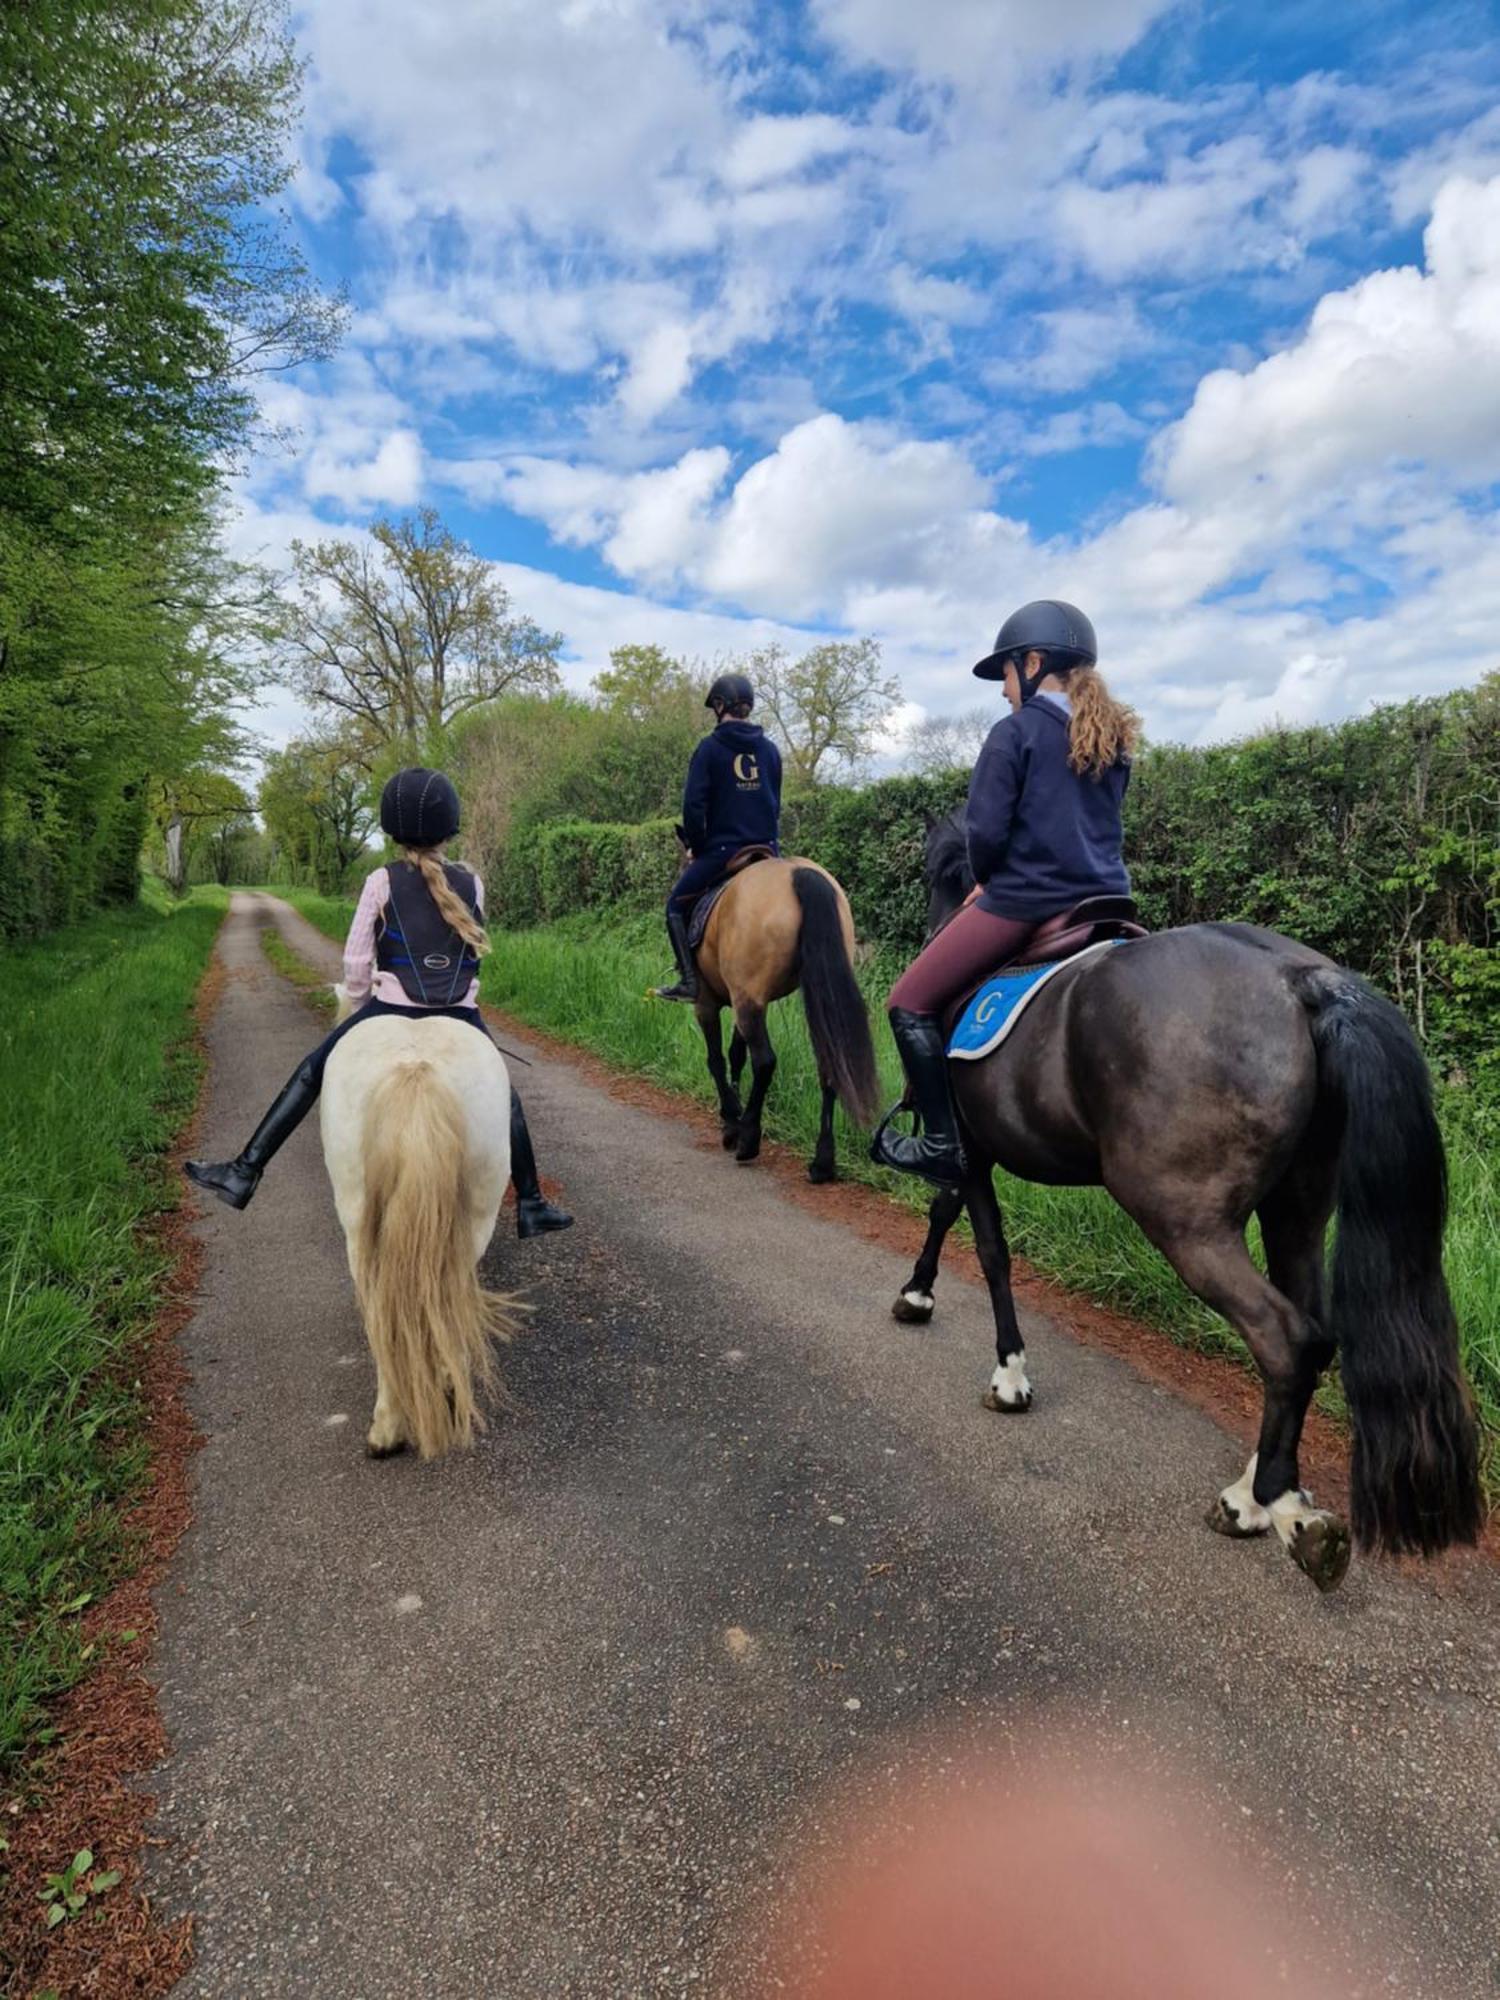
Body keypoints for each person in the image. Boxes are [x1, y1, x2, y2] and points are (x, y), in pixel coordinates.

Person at [184, 767, 574, 1239]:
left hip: (392, 1007)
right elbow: (470, 960)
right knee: (503, 1095)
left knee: (312, 1071)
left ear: (392, 830)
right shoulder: (473, 884)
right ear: (450, 827)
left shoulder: (381, 880)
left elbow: (355, 961)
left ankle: (244, 1171)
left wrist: (358, 1003)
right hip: (462, 1014)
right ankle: (530, 1202)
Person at [871, 600, 1140, 1187]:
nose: (1004, 691)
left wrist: (985, 882)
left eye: (1008, 674)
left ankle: (941, 1144)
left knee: (907, 1002)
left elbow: (985, 838)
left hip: (1028, 902)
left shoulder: (1013, 733)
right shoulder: (1114, 739)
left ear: (1035, 662)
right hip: (1107, 904)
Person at [653, 671, 783, 1002]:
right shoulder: (770, 751)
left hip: (723, 852)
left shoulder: (709, 749)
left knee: (674, 907)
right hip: (768, 850)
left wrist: (696, 846)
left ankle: (688, 982)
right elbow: (774, 804)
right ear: (748, 707)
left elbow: (694, 807)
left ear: (720, 706)